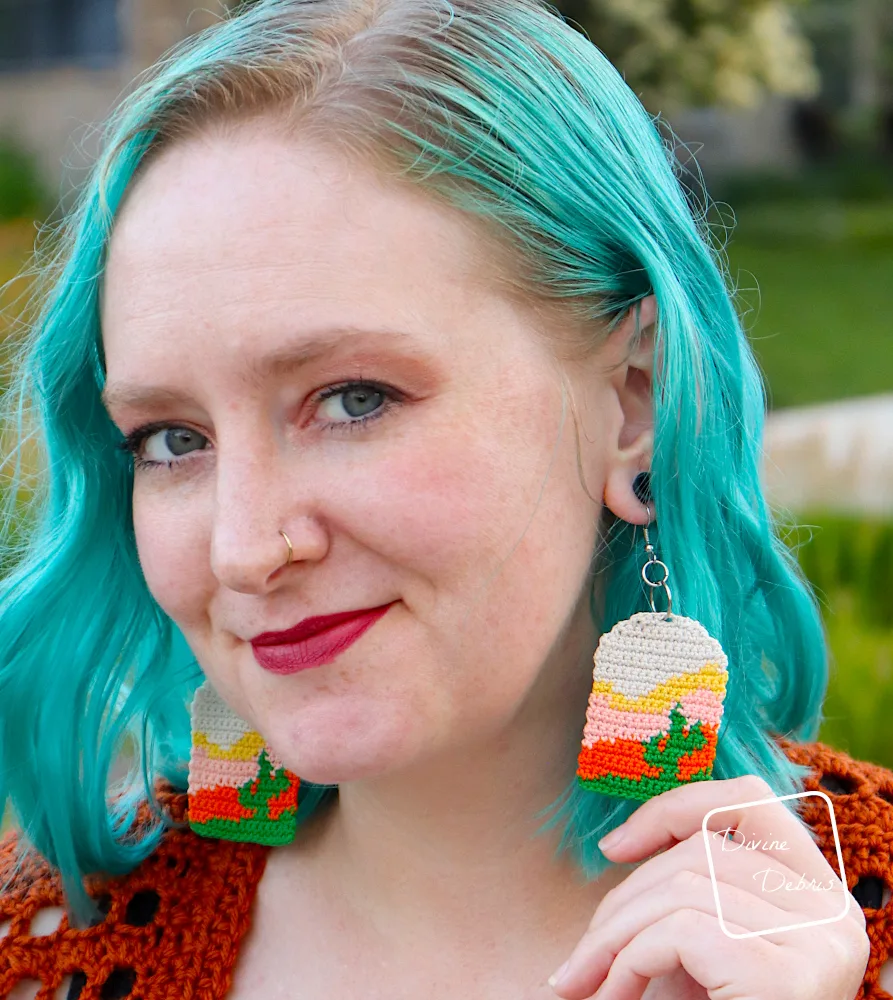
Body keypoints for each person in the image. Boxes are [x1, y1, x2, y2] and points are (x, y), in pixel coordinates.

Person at [0, 1, 888, 998]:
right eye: (172, 440)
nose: (242, 549)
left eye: (352, 399)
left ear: (633, 403)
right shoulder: (42, 939)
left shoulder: (851, 935)